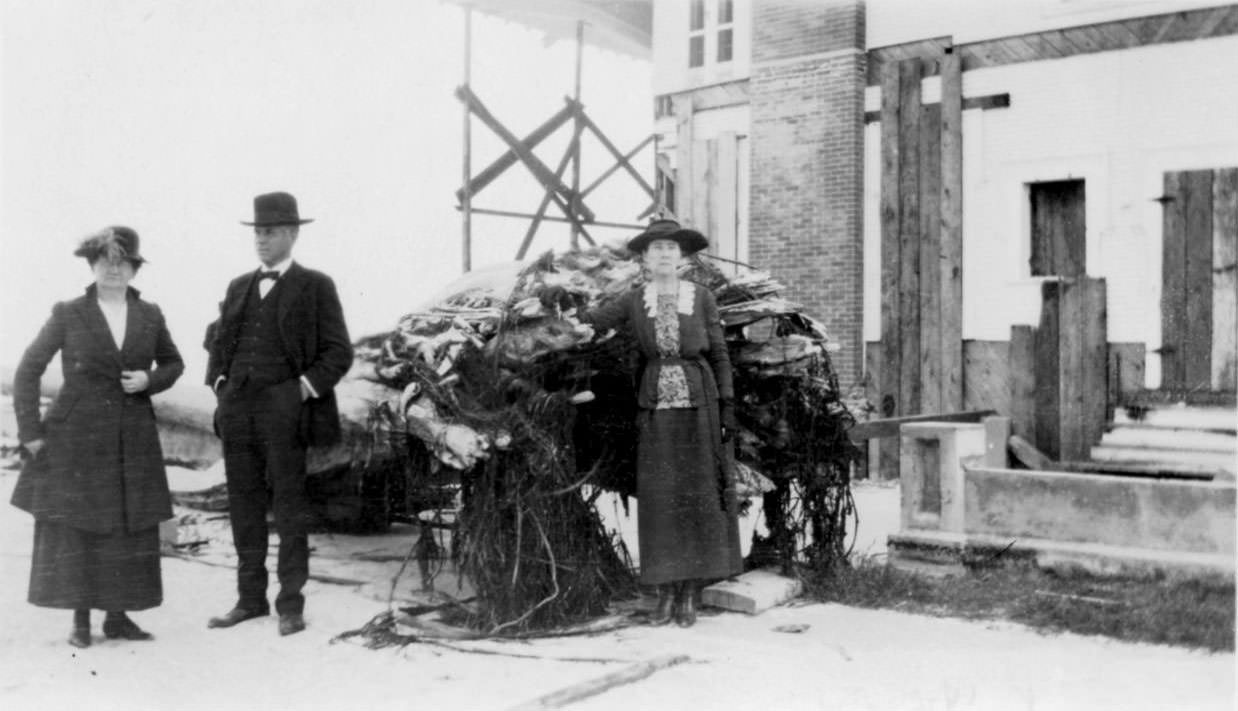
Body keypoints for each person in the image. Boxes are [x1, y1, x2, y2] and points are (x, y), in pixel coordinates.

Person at [544, 218, 743, 627]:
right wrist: (557, 308)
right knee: (661, 495)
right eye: (657, 249)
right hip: (655, 406)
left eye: (672, 249)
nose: (665, 255)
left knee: (698, 492)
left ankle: (690, 592)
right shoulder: (635, 301)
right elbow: (594, 319)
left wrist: (727, 408)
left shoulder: (702, 297)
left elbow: (720, 354)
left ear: (682, 256)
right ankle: (665, 592)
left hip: (700, 403)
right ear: (645, 258)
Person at [11, 226, 184, 648]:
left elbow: (174, 364)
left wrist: (148, 379)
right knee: (79, 526)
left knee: (127, 524)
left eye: (121, 260)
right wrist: (30, 433)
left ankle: (118, 617)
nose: (112, 268)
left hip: (132, 438)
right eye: (104, 260)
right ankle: (80, 620)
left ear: (133, 268)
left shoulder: (150, 314)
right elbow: (27, 370)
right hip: (76, 439)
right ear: (91, 265)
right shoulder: (68, 312)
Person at [205, 191, 352, 637]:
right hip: (238, 414)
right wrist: (221, 386)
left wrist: (298, 391)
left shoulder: (316, 286)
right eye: (258, 233)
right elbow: (218, 345)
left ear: (291, 233)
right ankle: (249, 600)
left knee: (289, 509)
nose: (261, 240)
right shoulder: (238, 286)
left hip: (286, 416)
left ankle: (290, 605)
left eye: (269, 232)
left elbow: (338, 352)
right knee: (244, 507)